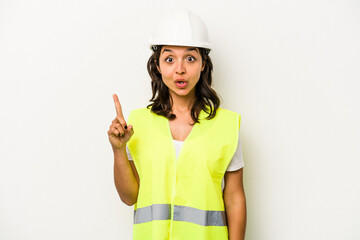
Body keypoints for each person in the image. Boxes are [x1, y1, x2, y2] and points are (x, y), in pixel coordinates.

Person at [108, 8, 246, 240]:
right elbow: (129, 197)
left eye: (190, 58)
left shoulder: (227, 126)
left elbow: (234, 197)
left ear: (203, 64)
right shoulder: (137, 124)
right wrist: (119, 150)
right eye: (169, 59)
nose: (180, 69)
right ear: (158, 65)